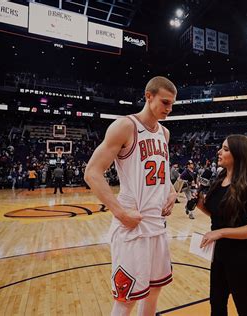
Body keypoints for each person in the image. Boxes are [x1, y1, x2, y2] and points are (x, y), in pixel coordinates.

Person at [84, 76, 178, 316]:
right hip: (132, 226)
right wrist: (120, 212)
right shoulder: (125, 126)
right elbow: (92, 173)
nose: (169, 109)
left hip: (157, 225)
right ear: (148, 96)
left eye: (172, 105)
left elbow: (162, 172)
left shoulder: (164, 133)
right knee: (126, 300)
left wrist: (171, 190)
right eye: (165, 103)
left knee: (154, 291)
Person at [196, 135, 247, 316]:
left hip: (242, 256)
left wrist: (220, 233)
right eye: (221, 147)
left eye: (226, 149)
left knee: (244, 307)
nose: (219, 152)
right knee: (217, 304)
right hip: (220, 253)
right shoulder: (220, 179)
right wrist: (199, 203)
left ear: (239, 154)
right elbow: (220, 216)